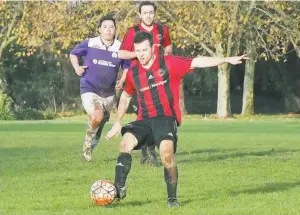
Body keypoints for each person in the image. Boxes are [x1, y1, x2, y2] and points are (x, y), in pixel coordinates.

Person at [105, 31, 249, 207]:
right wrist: (118, 121)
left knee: (166, 154)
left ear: (153, 48)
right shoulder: (133, 73)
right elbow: (126, 96)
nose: (141, 54)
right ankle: (119, 188)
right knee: (124, 144)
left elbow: (197, 61)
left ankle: (172, 199)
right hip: (144, 119)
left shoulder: (168, 63)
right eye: (137, 51)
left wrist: (226, 59)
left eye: (144, 50)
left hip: (165, 118)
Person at [117, 1, 173, 166]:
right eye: (145, 12)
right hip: (138, 77)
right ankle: (147, 151)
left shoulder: (162, 30)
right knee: (145, 111)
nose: (148, 15)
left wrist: (167, 55)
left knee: (158, 110)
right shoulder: (133, 31)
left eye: (151, 12)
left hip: (157, 75)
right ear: (140, 15)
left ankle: (148, 150)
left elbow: (168, 47)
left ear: (154, 13)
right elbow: (121, 53)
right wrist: (140, 51)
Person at [69, 15, 129, 162]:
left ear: (115, 30)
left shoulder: (121, 47)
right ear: (99, 29)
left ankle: (91, 143)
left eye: (111, 27)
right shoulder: (90, 43)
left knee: (100, 123)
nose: (108, 30)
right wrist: (77, 67)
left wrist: (122, 79)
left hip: (108, 93)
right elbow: (73, 54)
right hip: (89, 87)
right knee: (97, 115)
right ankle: (87, 146)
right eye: (105, 27)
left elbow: (127, 66)